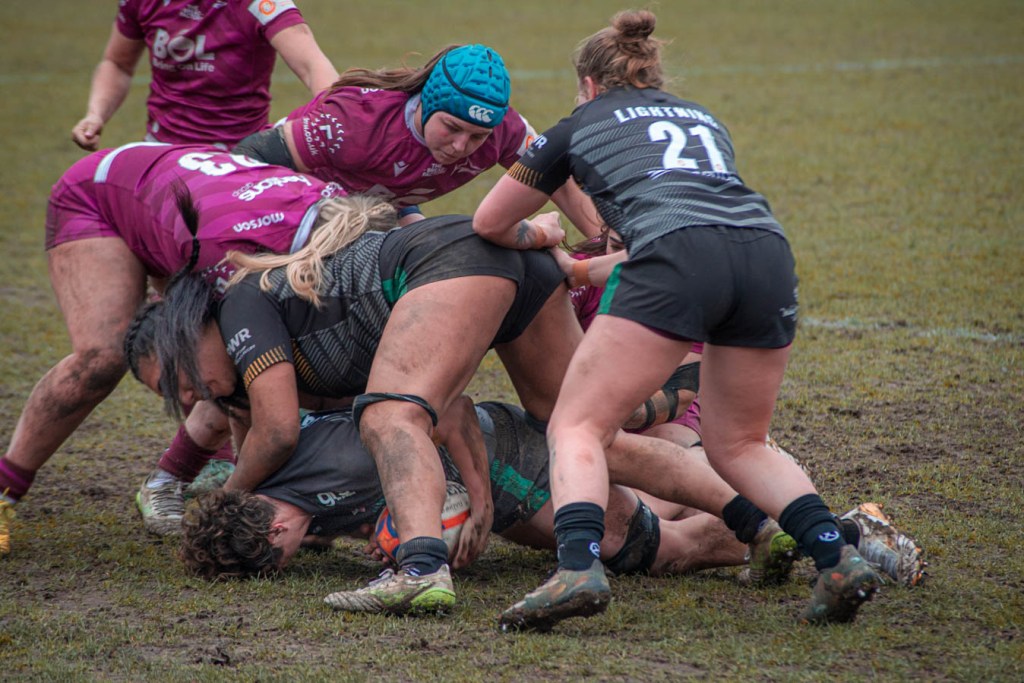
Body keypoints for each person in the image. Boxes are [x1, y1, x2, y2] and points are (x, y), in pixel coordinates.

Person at [138, 207, 809, 617]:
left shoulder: (243, 304)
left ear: (193, 329)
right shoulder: (270, 353)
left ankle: (421, 570)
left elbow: (280, 430)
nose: (188, 396)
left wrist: (228, 498)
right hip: (510, 270)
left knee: (387, 418)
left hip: (455, 262)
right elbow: (417, 404)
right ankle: (759, 515)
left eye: (181, 377)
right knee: (584, 434)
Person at [472, 10, 883, 629]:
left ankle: (578, 570)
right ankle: (837, 558)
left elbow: (489, 222)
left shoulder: (576, 124)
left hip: (673, 253)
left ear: (587, 84)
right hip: (765, 249)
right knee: (739, 444)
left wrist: (546, 239)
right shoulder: (703, 118)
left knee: (577, 424)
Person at [167, 396, 926, 597]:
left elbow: (425, 432)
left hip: (504, 461)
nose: (296, 552)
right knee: (641, 487)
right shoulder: (291, 493)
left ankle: (850, 534)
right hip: (505, 444)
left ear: (271, 526)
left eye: (283, 549)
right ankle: (781, 504)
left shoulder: (301, 460)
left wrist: (446, 516)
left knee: (647, 547)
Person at [0, 141, 370, 553]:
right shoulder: (233, 265)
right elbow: (250, 395)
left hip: (191, 214)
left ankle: (211, 482)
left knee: (253, 373)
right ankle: (5, 491)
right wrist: (246, 499)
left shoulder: (334, 243)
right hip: (100, 195)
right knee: (105, 357)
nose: (188, 399)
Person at [232, 43, 600, 231]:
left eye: (477, 137)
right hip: (291, 205)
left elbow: (562, 186)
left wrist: (612, 251)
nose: (460, 147)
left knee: (424, 246)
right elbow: (247, 158)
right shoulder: (352, 123)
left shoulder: (506, 132)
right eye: (452, 128)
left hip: (379, 204)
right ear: (425, 102)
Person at [71, 0, 338, 152]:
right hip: (160, 154)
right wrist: (96, 113)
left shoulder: (260, 3)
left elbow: (312, 65)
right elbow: (117, 63)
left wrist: (340, 115)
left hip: (238, 158)